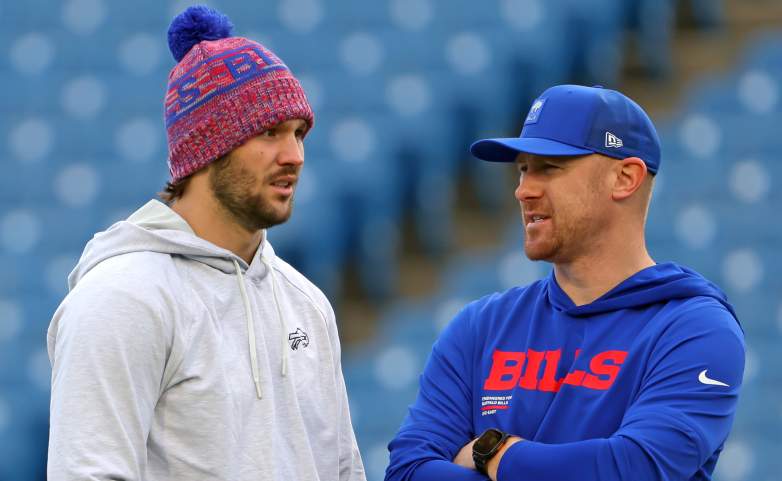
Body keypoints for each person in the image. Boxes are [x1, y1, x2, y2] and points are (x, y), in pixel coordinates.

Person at [46, 6, 365, 481]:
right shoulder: (120, 299)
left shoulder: (309, 305)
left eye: (299, 134)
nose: (294, 156)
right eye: (269, 132)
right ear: (206, 149)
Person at [385, 84, 745, 481]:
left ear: (625, 178)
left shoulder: (694, 328)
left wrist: (496, 452)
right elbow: (408, 469)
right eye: (522, 168)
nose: (523, 190)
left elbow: (631, 469)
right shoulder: (480, 326)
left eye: (549, 167)